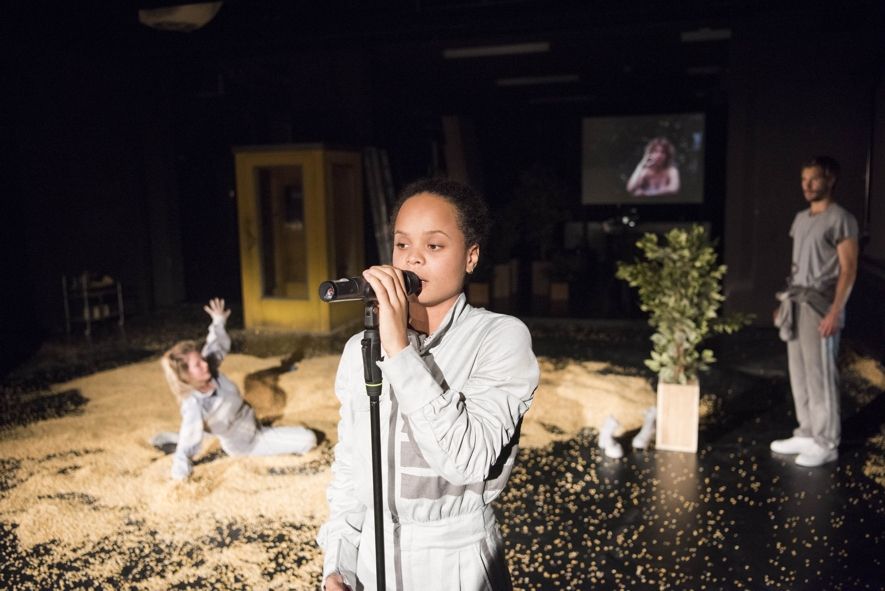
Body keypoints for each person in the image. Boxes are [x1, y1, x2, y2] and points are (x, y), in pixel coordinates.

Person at [316, 178, 540, 590]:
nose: (413, 259)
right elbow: (351, 467)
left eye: (434, 246)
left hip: (457, 563)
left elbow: (466, 461)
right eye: (402, 244)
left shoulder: (500, 338)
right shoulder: (360, 348)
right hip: (373, 561)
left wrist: (399, 351)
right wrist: (338, 564)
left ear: (471, 257)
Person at [154, 298, 317, 480]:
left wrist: (218, 320)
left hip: (251, 424)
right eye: (197, 365)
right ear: (186, 377)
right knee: (309, 439)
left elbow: (216, 345)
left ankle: (200, 437)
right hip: (248, 443)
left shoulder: (209, 370)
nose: (204, 364)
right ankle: (186, 440)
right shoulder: (194, 405)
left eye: (202, 359)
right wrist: (179, 479)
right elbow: (186, 447)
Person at [771, 156, 859, 467]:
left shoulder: (841, 219)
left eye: (814, 179)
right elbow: (799, 265)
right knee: (799, 372)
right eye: (803, 179)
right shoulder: (801, 218)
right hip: (797, 302)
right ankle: (807, 432)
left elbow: (848, 269)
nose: (807, 185)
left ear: (830, 180)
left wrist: (835, 312)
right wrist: (785, 305)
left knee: (820, 374)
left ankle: (827, 442)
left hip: (821, 305)